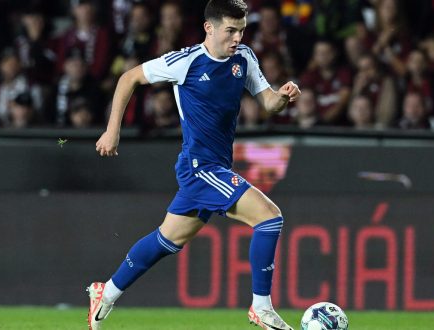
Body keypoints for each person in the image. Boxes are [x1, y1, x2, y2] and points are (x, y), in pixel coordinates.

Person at [88, 1, 300, 330]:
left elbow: (268, 102)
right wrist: (112, 130)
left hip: (216, 166)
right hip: (200, 167)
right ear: (209, 28)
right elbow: (128, 78)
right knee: (269, 219)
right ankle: (261, 308)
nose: (237, 38)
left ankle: (106, 293)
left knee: (166, 240)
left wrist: (283, 96)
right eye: (230, 30)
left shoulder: (244, 58)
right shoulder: (185, 61)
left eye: (241, 30)